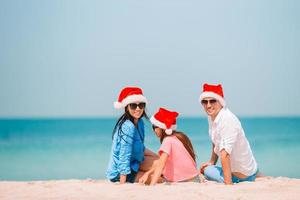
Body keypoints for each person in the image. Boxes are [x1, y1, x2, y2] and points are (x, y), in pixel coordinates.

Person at [199, 83, 258, 184]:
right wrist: (212, 161)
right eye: (205, 101)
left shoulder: (227, 120)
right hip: (249, 168)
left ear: (221, 102)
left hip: (242, 176)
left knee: (205, 170)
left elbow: (225, 154)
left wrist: (228, 185)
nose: (208, 105)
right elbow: (215, 139)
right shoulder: (212, 117)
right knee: (207, 167)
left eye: (212, 101)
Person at [106, 87, 158, 184]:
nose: (138, 109)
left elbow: (139, 147)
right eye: (133, 106)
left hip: (135, 163)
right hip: (120, 173)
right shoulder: (127, 127)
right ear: (127, 107)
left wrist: (157, 156)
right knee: (160, 178)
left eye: (141, 105)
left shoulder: (140, 123)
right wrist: (123, 183)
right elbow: (124, 155)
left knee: (162, 164)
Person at [139, 107, 202, 185]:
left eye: (154, 127)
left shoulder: (167, 141)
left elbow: (161, 164)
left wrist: (152, 185)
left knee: (146, 176)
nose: (153, 130)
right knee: (153, 170)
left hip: (182, 180)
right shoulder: (179, 137)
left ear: (162, 128)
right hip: (195, 178)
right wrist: (148, 173)